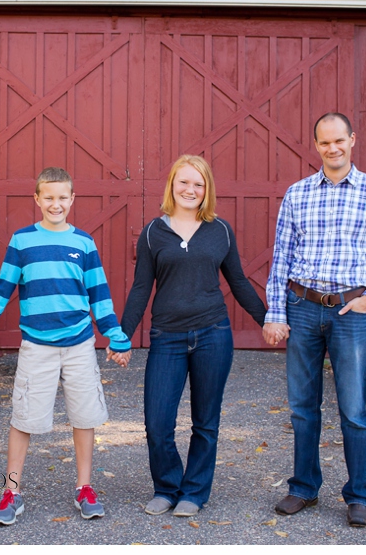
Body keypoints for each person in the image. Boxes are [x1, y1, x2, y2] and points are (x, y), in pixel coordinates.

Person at [0, 166, 131, 526]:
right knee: (24, 418)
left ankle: (84, 487)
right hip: (37, 346)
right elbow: (1, 290)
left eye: (62, 197)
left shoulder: (84, 243)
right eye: (48, 197)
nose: (56, 204)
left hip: (80, 345)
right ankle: (11, 492)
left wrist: (116, 335)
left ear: (72, 199)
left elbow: (99, 295)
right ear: (36, 199)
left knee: (84, 417)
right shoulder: (22, 241)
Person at [263, 112, 366, 527]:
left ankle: (359, 495)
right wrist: (276, 311)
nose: (333, 148)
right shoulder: (298, 193)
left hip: (351, 312)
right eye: (325, 142)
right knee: (303, 408)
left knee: (353, 409)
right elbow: (282, 259)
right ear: (317, 146)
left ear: (352, 140)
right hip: (303, 307)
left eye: (339, 140)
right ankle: (303, 488)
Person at [119, 154, 267, 518]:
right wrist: (122, 335)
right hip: (167, 338)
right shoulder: (154, 232)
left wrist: (268, 318)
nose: (191, 189)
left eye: (198, 184)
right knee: (157, 423)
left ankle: (195, 492)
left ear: (207, 190)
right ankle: (167, 487)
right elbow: (141, 289)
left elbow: (238, 282)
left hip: (213, 334)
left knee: (205, 421)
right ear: (172, 185)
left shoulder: (221, 230)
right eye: (184, 182)